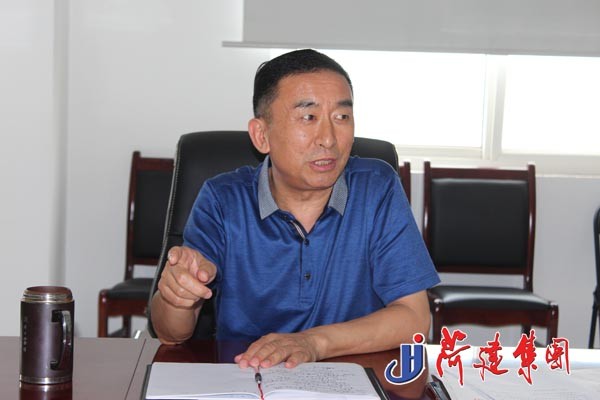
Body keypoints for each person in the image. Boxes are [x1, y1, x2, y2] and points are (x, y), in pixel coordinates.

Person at [150, 49, 440, 369]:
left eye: (342, 117)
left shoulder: (376, 187)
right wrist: (177, 297)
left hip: (351, 378)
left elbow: (415, 318)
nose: (329, 139)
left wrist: (313, 343)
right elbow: (171, 335)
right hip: (248, 377)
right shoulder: (223, 199)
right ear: (262, 135)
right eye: (308, 117)